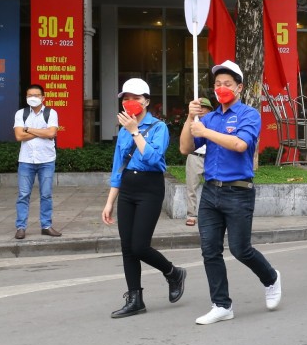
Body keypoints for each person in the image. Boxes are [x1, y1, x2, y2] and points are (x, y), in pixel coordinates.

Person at [180, 60, 282, 325]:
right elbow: (185, 147)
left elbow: (239, 145)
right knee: (209, 250)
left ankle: (270, 277)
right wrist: (191, 118)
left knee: (240, 249)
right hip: (211, 192)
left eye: (227, 84)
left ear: (239, 87)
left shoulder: (249, 115)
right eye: (217, 84)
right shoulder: (208, 118)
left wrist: (206, 130)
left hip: (238, 192)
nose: (221, 88)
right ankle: (221, 304)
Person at [101, 78, 186, 318]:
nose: (130, 103)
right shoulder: (123, 130)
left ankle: (173, 272)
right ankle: (135, 298)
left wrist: (135, 132)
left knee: (140, 245)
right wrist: (110, 201)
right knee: (127, 247)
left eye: (136, 98)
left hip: (150, 188)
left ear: (147, 101)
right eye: (126, 99)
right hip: (127, 188)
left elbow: (153, 159)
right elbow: (119, 167)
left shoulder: (159, 127)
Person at [13, 84, 61, 239]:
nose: (32, 98)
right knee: (23, 194)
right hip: (26, 160)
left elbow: (52, 133)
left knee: (46, 194)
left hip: (46, 160)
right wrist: (42, 132)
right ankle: (21, 227)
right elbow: (19, 136)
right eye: (29, 95)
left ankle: (46, 225)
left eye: (36, 95)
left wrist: (28, 129)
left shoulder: (51, 113)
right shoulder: (21, 113)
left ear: (43, 97)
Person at [184, 97, 213, 227]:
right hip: (195, 156)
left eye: (204, 107)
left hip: (210, 157)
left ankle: (211, 215)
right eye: (198, 107)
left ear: (209, 109)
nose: (201, 110)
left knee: (213, 187)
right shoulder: (192, 122)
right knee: (191, 187)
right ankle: (191, 215)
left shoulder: (214, 122)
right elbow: (185, 144)